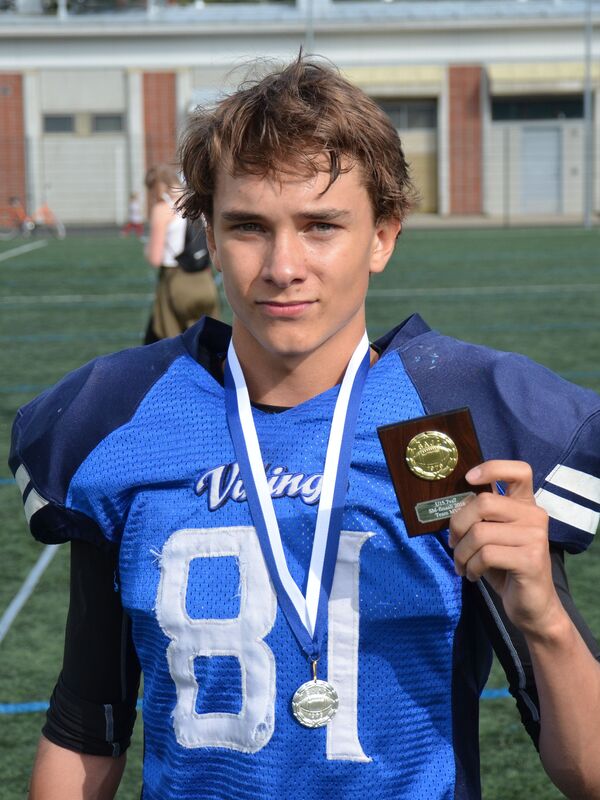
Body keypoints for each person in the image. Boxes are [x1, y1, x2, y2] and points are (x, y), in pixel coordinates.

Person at [9, 56, 600, 800]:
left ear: (382, 236)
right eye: (249, 227)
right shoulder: (128, 421)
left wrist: (546, 622)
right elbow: (85, 725)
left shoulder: (451, 425)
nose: (283, 266)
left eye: (321, 225)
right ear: (210, 234)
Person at [143, 164, 220, 344]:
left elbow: (155, 258)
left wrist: (147, 248)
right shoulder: (196, 203)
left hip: (176, 282)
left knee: (165, 346)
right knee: (208, 344)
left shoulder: (163, 209)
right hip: (205, 281)